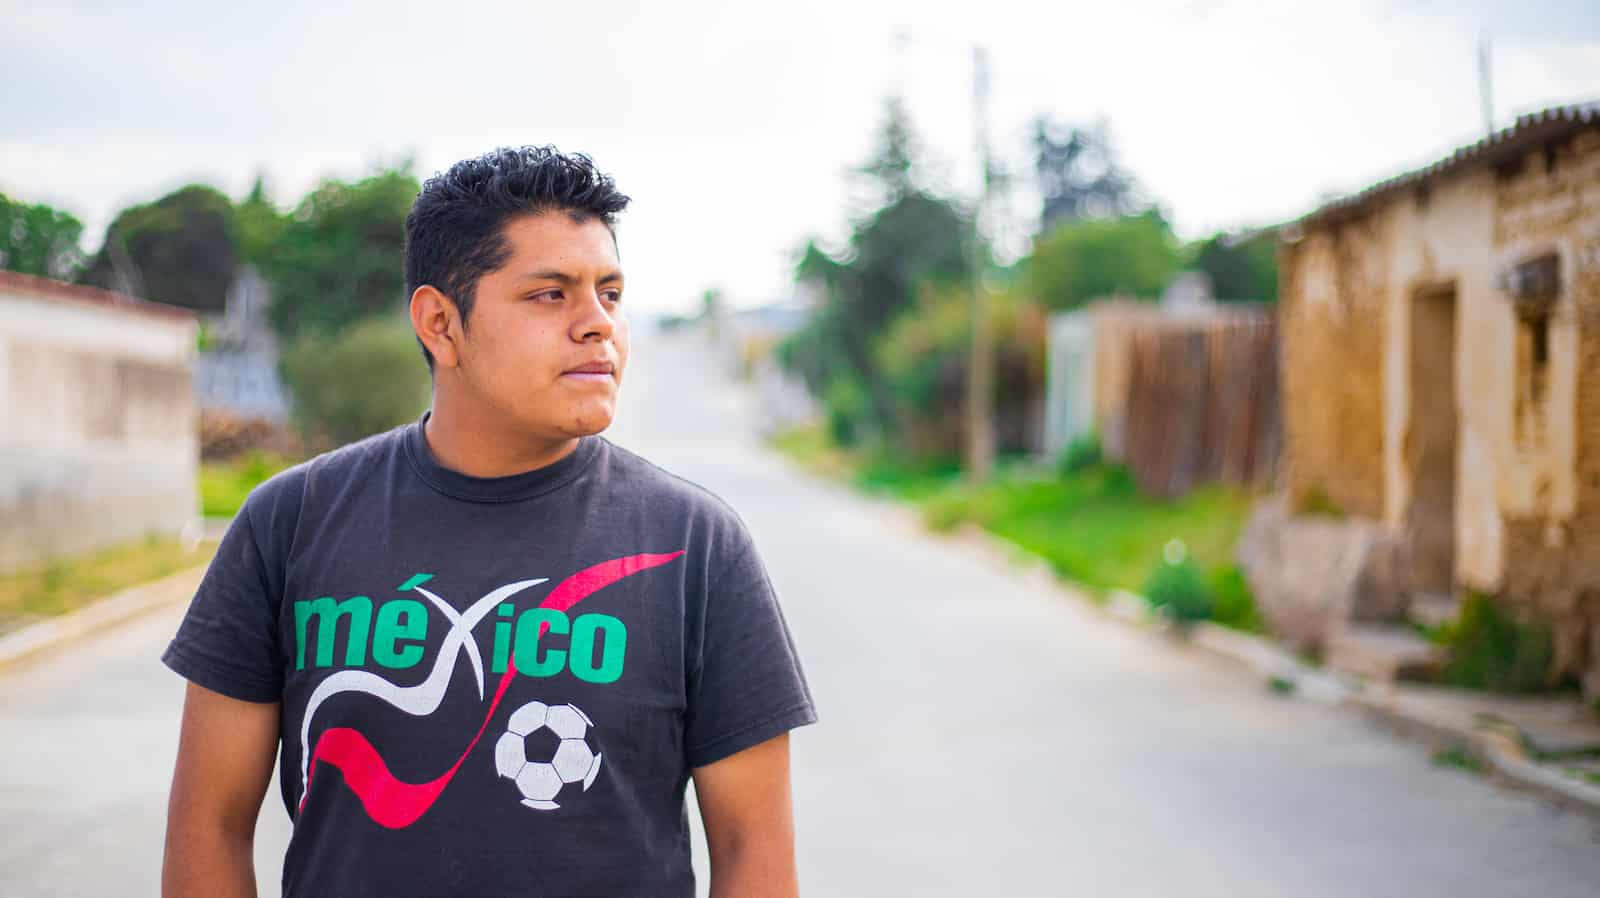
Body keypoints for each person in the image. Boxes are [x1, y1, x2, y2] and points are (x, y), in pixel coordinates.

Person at [160, 146, 816, 898]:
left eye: (610, 292)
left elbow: (753, 852)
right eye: (550, 295)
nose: (598, 325)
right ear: (441, 324)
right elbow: (208, 827)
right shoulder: (291, 521)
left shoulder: (695, 545)